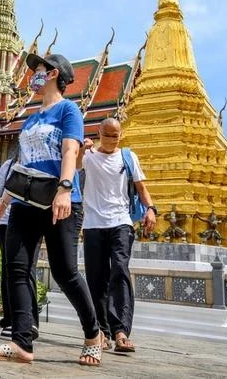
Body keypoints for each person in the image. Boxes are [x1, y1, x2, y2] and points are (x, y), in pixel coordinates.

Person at [0, 53, 102, 366]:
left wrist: (64, 189)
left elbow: (70, 150)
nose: (33, 74)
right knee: (17, 268)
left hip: (59, 200)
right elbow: (22, 166)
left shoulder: (68, 110)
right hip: (24, 201)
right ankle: (21, 342)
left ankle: (93, 333)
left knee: (66, 273)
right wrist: (1, 204)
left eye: (39, 69)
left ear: (53, 74)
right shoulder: (32, 117)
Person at [77, 117, 157, 353]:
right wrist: (83, 148)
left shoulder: (128, 157)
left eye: (116, 135)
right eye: (107, 135)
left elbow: (141, 187)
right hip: (93, 224)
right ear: (99, 133)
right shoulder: (89, 157)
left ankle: (120, 330)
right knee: (96, 278)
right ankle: (101, 331)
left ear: (120, 135)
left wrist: (151, 209)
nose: (112, 139)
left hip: (121, 222)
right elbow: (74, 165)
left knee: (120, 270)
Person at [0, 158, 40, 339]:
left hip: (33, 219)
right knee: (9, 270)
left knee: (27, 269)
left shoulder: (40, 163)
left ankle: (29, 321)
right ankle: (10, 319)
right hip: (7, 221)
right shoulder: (8, 165)